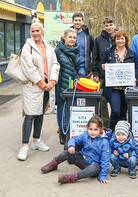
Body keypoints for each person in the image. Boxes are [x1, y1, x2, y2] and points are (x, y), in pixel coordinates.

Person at [17, 19, 60, 161]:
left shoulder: (48, 46)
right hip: (33, 87)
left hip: (48, 86)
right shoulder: (27, 47)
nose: (36, 33)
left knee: (40, 113)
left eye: (38, 31)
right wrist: (41, 83)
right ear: (31, 32)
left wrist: (52, 80)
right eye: (33, 31)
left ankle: (36, 141)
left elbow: (55, 63)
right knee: (30, 115)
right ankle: (24, 146)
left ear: (42, 31)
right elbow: (28, 68)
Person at [40, 115, 111, 184]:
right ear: (87, 128)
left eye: (95, 129)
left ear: (101, 129)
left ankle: (70, 177)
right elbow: (73, 139)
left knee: (93, 169)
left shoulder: (104, 142)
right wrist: (71, 146)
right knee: (68, 151)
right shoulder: (85, 135)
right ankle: (53, 164)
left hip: (94, 166)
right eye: (90, 129)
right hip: (83, 159)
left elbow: (105, 161)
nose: (92, 132)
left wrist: (102, 176)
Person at [101, 30, 138, 130]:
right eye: (118, 39)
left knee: (123, 113)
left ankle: (122, 133)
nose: (120, 41)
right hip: (113, 88)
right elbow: (101, 64)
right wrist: (103, 66)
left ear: (126, 40)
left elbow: (136, 68)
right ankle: (111, 131)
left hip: (126, 87)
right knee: (115, 111)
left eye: (122, 38)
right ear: (115, 40)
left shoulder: (131, 53)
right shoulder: (108, 52)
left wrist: (135, 78)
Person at [55, 28, 80, 145]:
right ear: (64, 37)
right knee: (62, 108)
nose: (72, 40)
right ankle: (62, 131)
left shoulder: (77, 50)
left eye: (74, 37)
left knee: (72, 108)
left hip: (74, 83)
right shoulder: (58, 51)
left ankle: (71, 130)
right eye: (70, 37)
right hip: (62, 83)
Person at [92, 16, 117, 128]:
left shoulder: (119, 37)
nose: (109, 27)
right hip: (103, 77)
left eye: (111, 25)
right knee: (102, 103)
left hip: (117, 78)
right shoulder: (98, 40)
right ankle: (106, 127)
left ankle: (115, 127)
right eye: (106, 25)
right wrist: (96, 74)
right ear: (104, 26)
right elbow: (95, 58)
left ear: (114, 25)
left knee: (116, 105)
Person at [71, 12, 94, 77]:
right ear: (72, 21)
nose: (77, 22)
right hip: (70, 68)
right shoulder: (68, 35)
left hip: (83, 69)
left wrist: (92, 68)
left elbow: (94, 53)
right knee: (70, 87)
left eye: (79, 20)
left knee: (81, 86)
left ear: (83, 22)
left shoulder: (88, 36)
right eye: (76, 20)